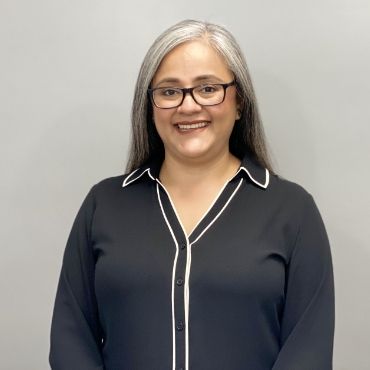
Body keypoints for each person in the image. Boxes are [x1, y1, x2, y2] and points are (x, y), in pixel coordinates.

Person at [49, 19, 335, 370]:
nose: (188, 106)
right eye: (169, 91)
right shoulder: (103, 205)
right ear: (150, 105)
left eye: (208, 88)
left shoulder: (293, 211)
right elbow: (71, 339)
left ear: (239, 100)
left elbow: (308, 351)